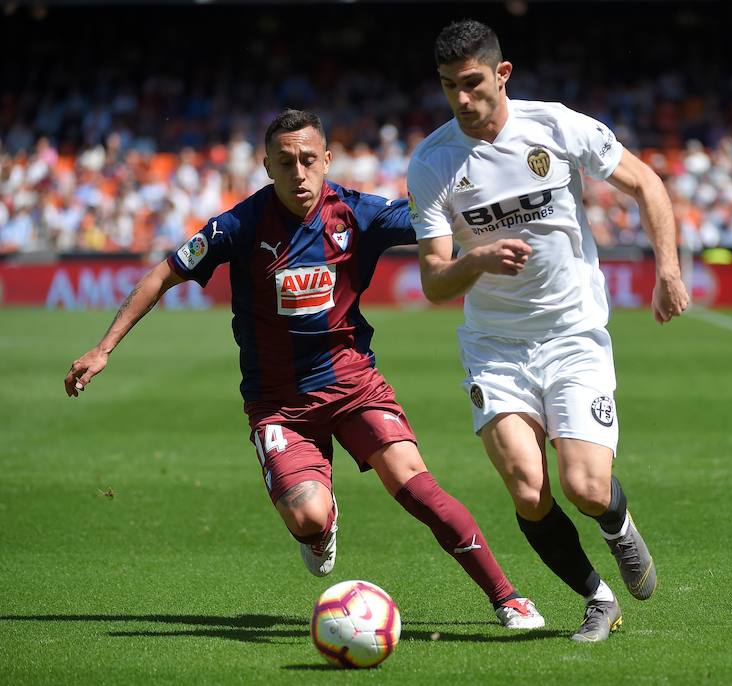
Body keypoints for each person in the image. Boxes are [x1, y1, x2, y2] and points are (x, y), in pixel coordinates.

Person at [64, 109, 544, 630]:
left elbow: (438, 220)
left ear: (327, 161)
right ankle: (320, 527)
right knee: (307, 516)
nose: (299, 173)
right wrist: (104, 347)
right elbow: (164, 273)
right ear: (267, 166)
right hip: (278, 402)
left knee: (416, 485)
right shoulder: (239, 226)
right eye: (286, 162)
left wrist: (506, 205)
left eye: (309, 160)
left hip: (353, 382)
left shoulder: (357, 213)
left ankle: (507, 597)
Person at [407, 20, 689, 642]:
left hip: (572, 334)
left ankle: (617, 527)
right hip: (495, 348)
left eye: (473, 83)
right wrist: (475, 260)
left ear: (502, 75)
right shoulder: (432, 162)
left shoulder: (556, 126)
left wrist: (667, 268)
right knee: (529, 490)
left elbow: (647, 182)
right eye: (449, 86)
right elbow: (433, 280)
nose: (461, 99)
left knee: (585, 486)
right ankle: (597, 599)